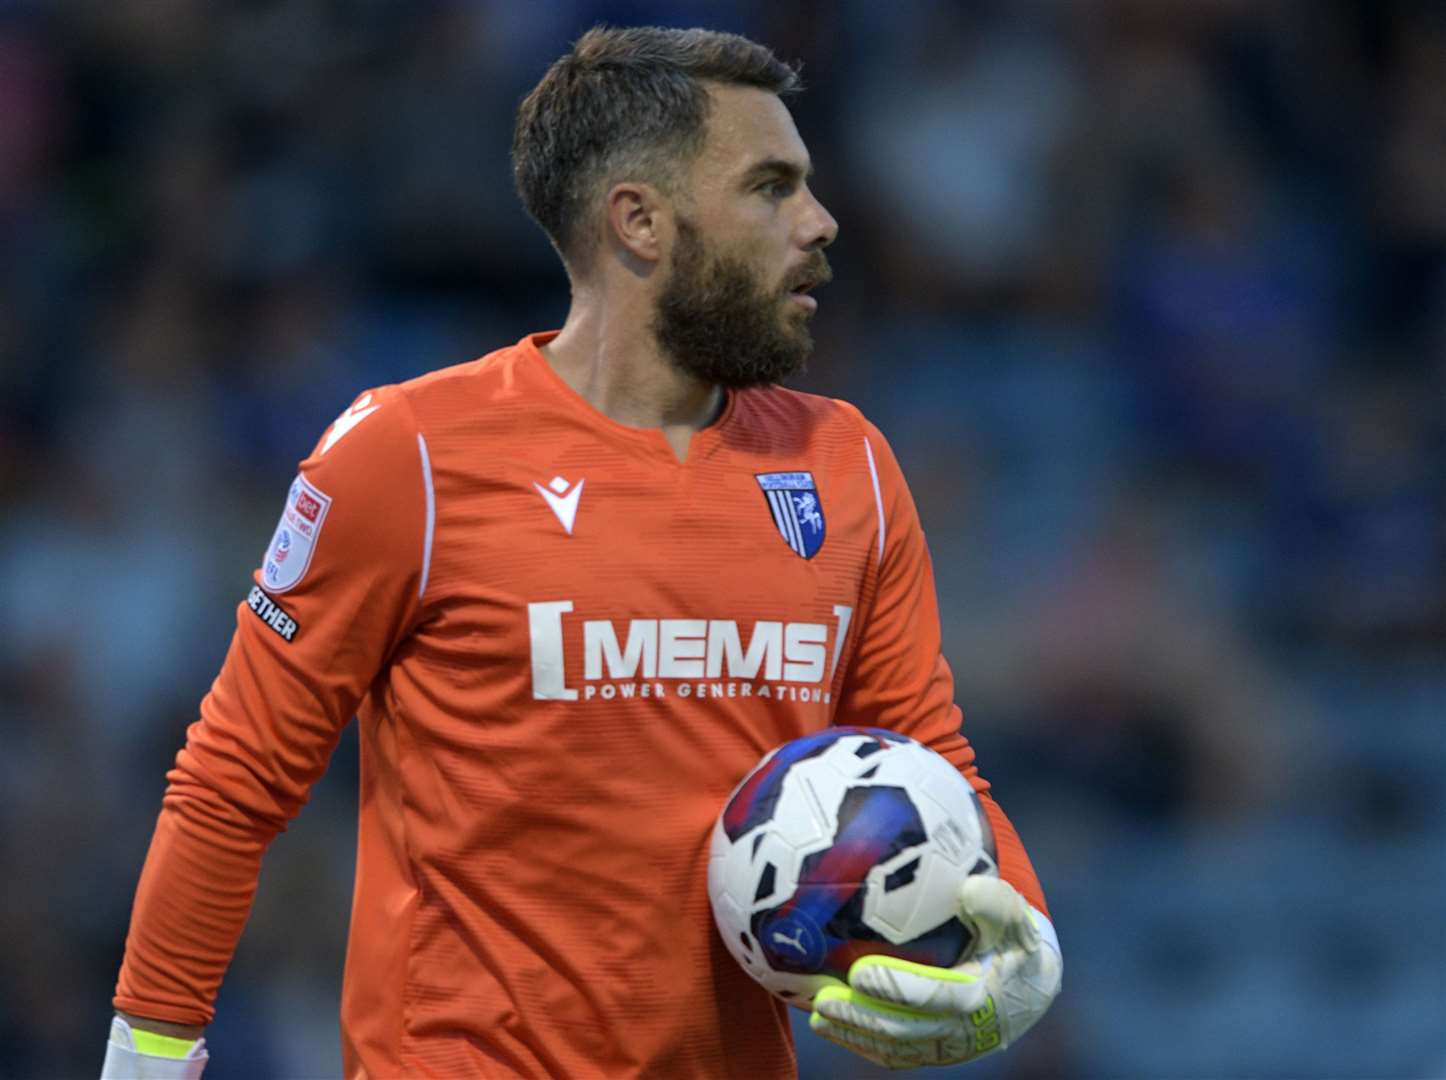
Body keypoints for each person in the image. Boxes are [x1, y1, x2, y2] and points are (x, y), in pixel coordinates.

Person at [102, 25, 1062, 1080]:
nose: (821, 223)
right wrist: (148, 1051)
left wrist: (1024, 941)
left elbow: (930, 763)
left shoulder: (850, 468)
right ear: (640, 223)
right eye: (771, 187)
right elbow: (233, 782)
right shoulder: (407, 458)